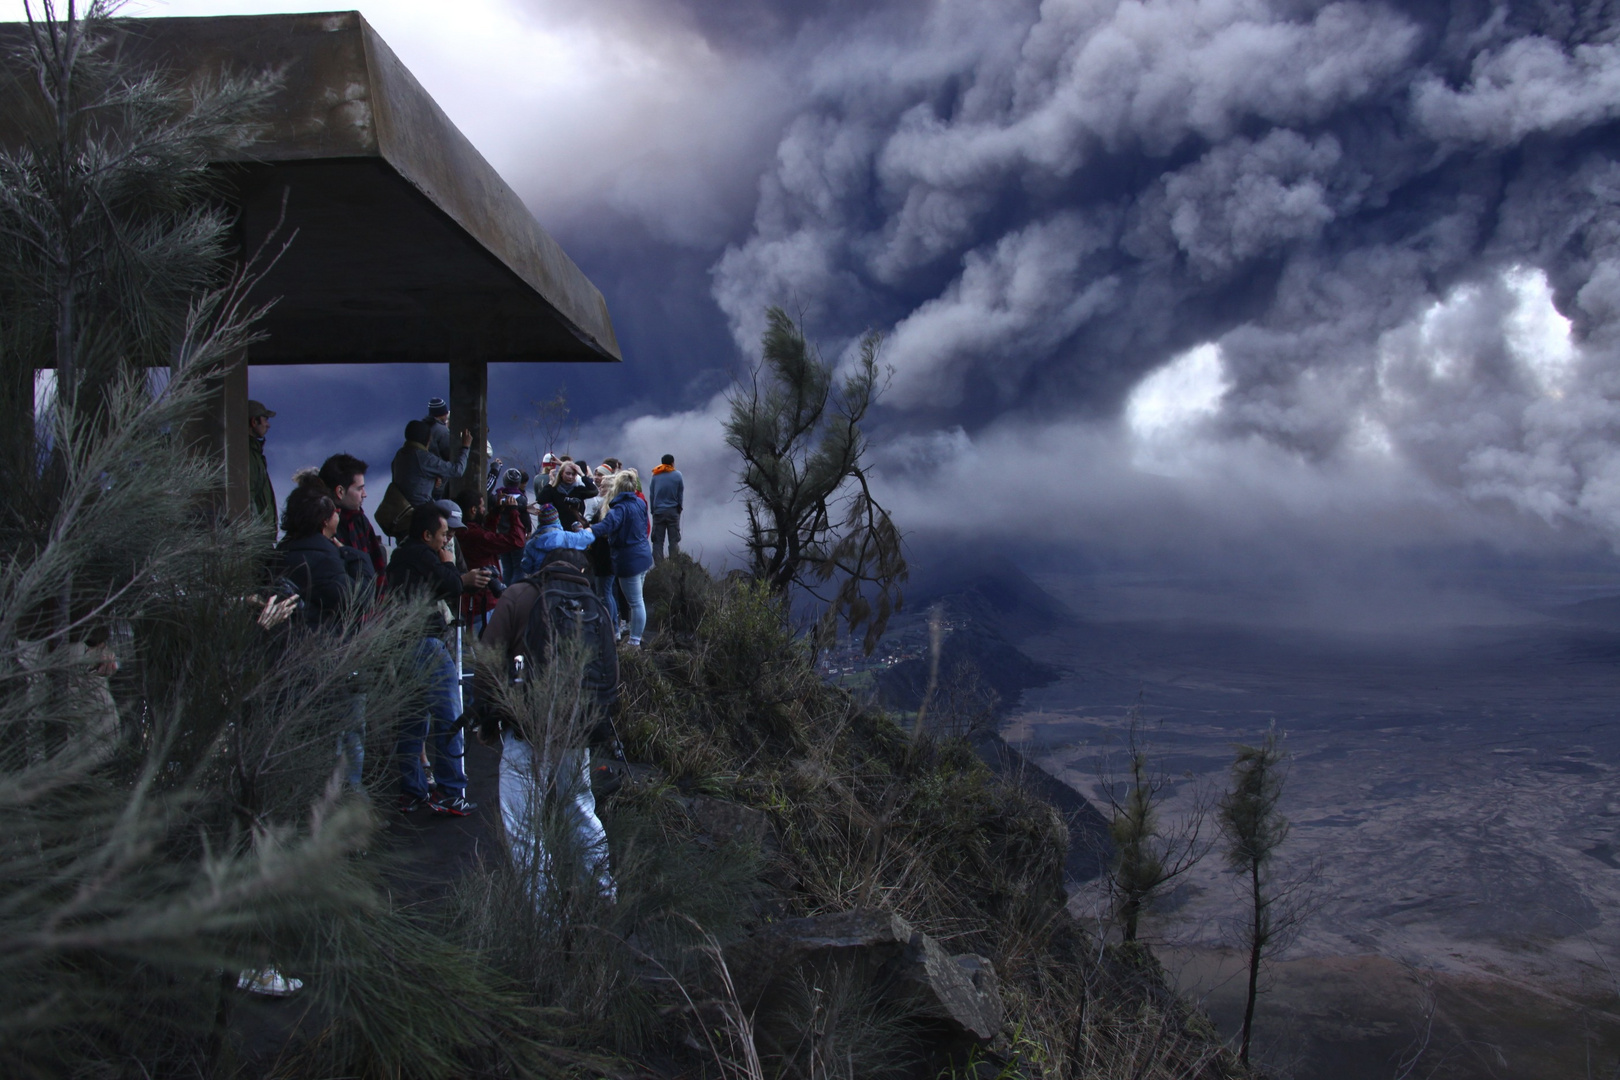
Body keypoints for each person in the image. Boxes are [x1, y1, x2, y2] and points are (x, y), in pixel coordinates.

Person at [475, 574, 615, 902]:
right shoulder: (591, 601)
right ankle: (603, 895)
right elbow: (610, 674)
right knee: (580, 810)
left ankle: (545, 918)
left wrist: (486, 721)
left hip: (524, 730)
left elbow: (487, 663)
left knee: (523, 827)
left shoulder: (518, 595)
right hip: (573, 731)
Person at [387, 502, 490, 816]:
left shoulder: (399, 557)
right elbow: (449, 584)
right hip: (426, 644)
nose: (447, 541)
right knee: (449, 715)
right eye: (444, 535)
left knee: (412, 720)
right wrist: (451, 566)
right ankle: (450, 791)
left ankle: (412, 790)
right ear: (427, 534)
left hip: (401, 645)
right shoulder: (423, 556)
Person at [590, 471, 653, 647]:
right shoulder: (639, 502)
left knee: (635, 602)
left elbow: (606, 526)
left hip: (628, 560)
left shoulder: (619, 508)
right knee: (638, 601)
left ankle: (634, 642)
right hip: (642, 556)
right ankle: (635, 638)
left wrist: (588, 531)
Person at [454, 490, 527, 630]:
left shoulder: (463, 531)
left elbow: (487, 532)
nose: (484, 510)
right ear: (473, 510)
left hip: (470, 602)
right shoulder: (475, 535)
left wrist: (496, 512)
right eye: (482, 507)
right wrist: (513, 512)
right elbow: (517, 541)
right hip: (482, 602)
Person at [320, 453, 387, 591]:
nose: (365, 494)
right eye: (359, 488)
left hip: (370, 607)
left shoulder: (360, 521)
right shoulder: (319, 525)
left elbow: (378, 570)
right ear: (340, 491)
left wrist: (381, 608)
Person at [391, 418, 472, 508]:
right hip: (420, 510)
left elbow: (411, 480)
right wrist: (465, 447)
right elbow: (457, 470)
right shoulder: (424, 458)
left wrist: (431, 482)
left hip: (400, 508)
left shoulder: (400, 454)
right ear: (427, 440)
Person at [519, 503, 595, 577]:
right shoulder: (567, 537)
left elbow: (526, 567)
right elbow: (589, 537)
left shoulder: (531, 544)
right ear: (557, 519)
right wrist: (581, 530)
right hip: (563, 579)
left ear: (540, 521)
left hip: (540, 580)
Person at [535, 458, 598, 532]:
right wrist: (551, 482)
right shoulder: (554, 490)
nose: (570, 477)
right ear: (561, 474)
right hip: (559, 530)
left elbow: (594, 491)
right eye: (568, 473)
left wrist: (582, 474)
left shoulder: (578, 490)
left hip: (576, 530)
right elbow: (540, 499)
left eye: (573, 474)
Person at [248, 400, 277, 533]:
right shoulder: (247, 455)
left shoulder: (254, 453)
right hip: (256, 538)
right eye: (265, 419)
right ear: (254, 422)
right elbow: (250, 495)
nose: (268, 425)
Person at [649, 454, 684, 565]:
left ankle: (660, 567)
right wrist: (679, 508)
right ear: (672, 463)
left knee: (657, 541)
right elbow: (680, 493)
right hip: (673, 511)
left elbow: (652, 495)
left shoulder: (655, 476)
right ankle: (674, 565)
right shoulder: (678, 475)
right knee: (674, 540)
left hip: (658, 511)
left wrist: (653, 510)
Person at [424, 397, 454, 463]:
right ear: (442, 414)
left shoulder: (423, 427)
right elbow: (451, 454)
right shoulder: (442, 431)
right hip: (438, 470)